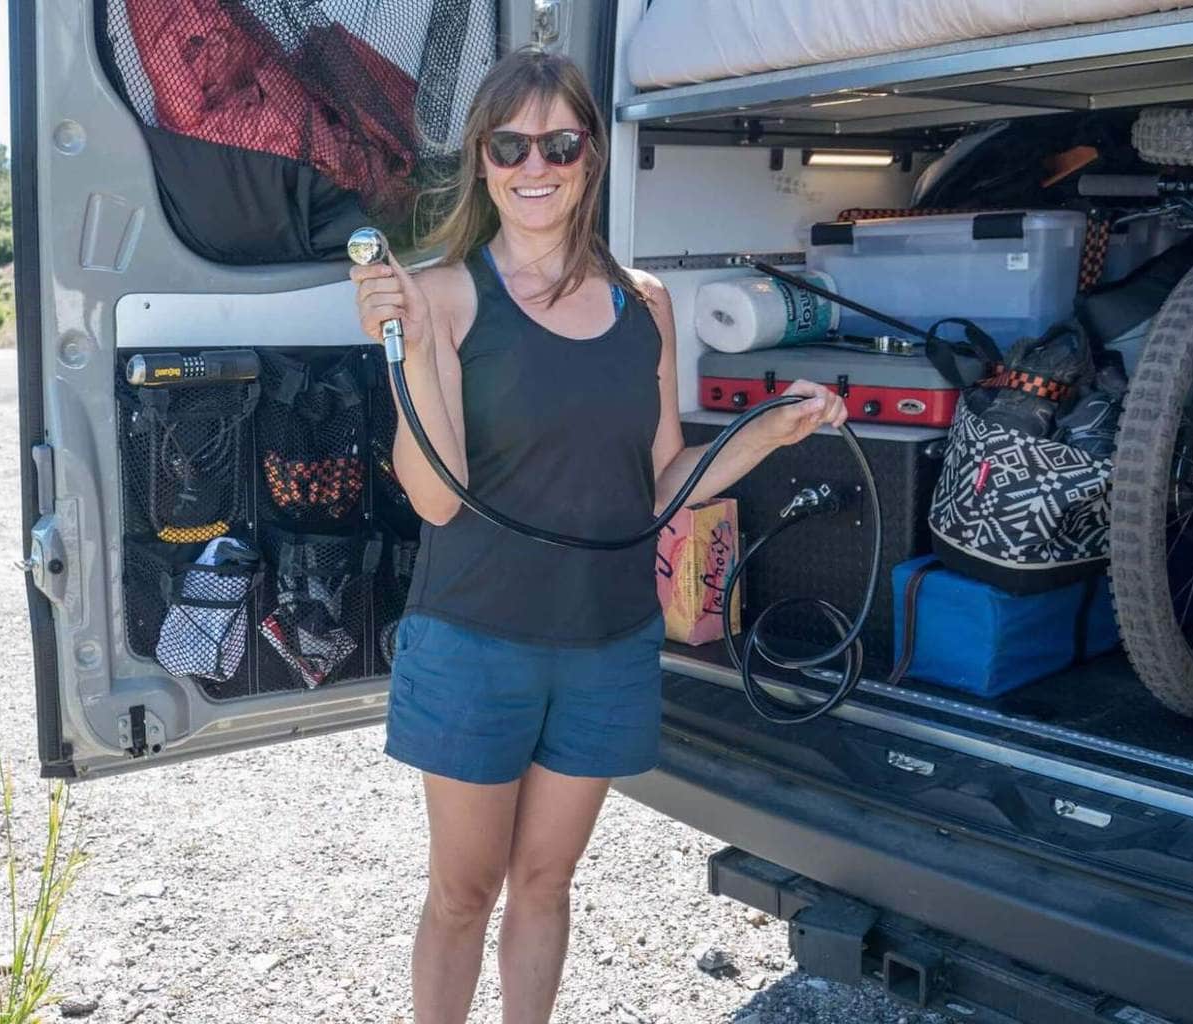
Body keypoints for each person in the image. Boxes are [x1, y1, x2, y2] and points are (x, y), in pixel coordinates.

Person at [350, 45, 847, 1024]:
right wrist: (399, 347)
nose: (535, 166)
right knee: (461, 893)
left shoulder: (644, 304)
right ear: (482, 160)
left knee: (544, 884)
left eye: (560, 141)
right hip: (473, 641)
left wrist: (766, 431)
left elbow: (660, 484)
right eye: (510, 144)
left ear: (589, 156)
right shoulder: (442, 294)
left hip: (605, 644)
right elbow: (438, 498)